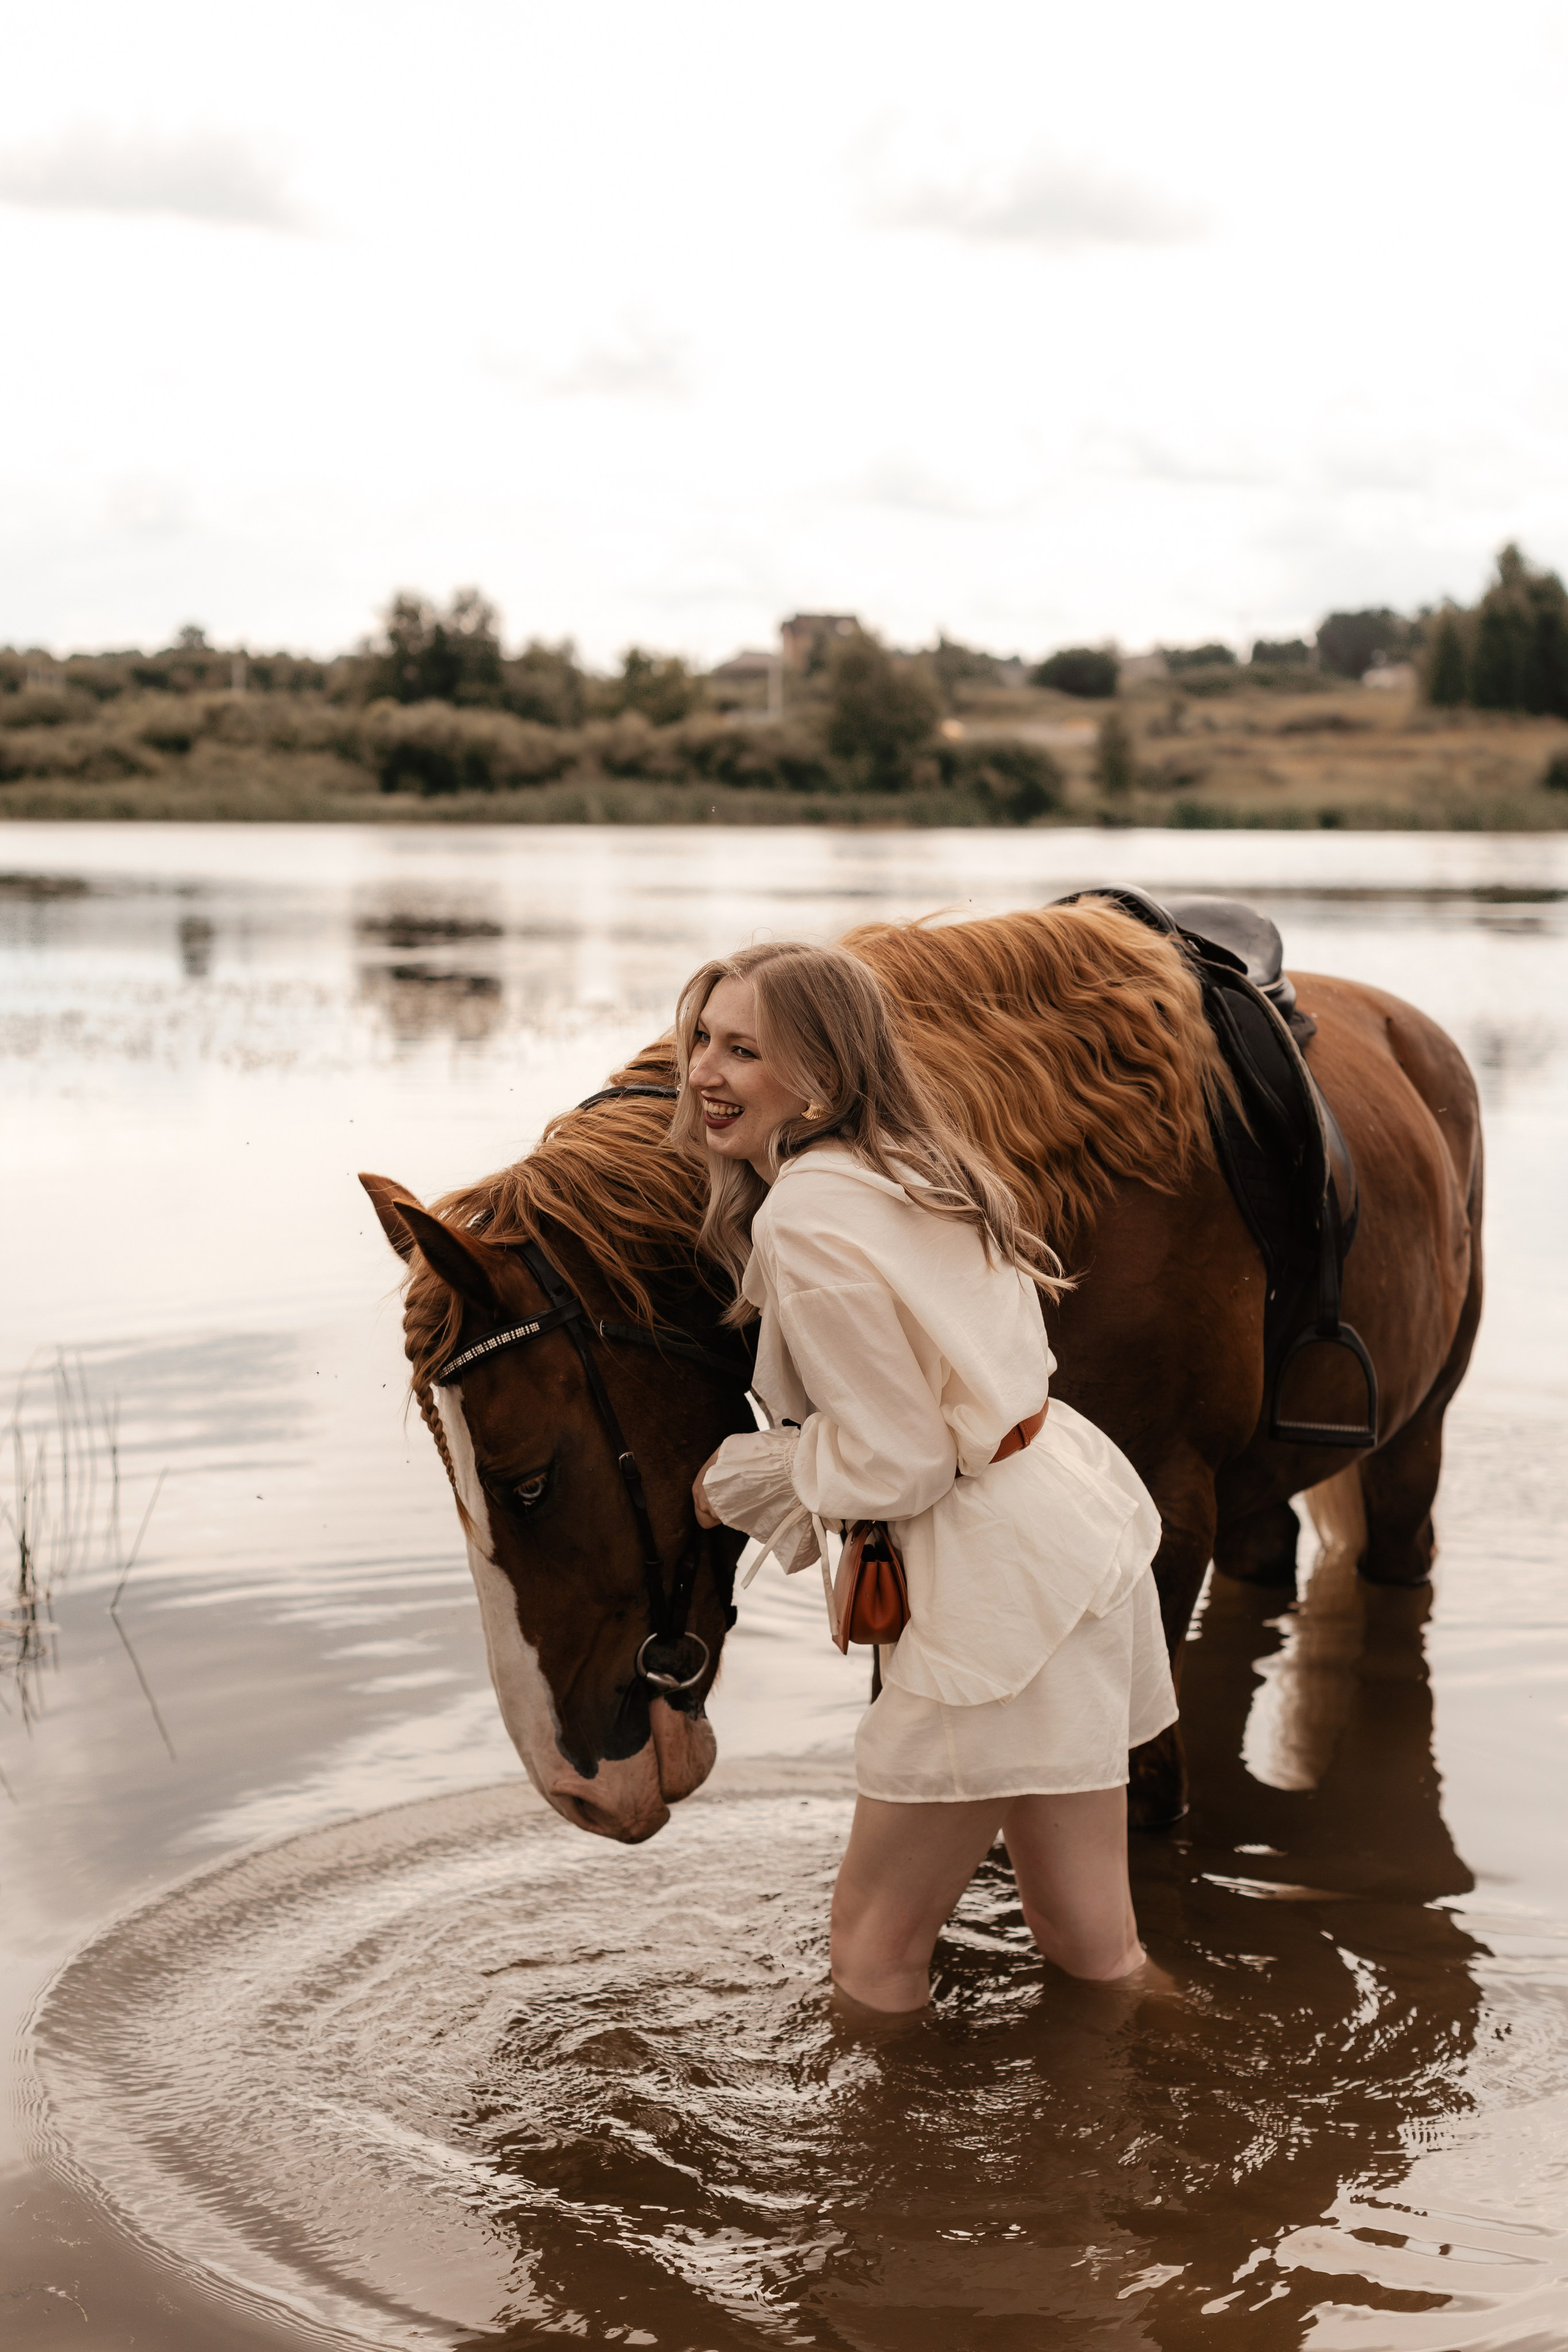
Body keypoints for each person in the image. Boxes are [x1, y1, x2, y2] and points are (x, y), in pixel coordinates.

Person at [672, 939, 1177, 2018]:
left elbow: (897, 1461)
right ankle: (1192, 2130)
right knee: (1093, 1940)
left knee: (870, 1953)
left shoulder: (803, 1215)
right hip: (1066, 1528)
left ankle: (879, 2184)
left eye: (744, 1050)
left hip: (989, 1598)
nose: (706, 1072)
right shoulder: (915, 1163)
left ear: (822, 1073)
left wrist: (754, 1475)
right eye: (702, 1040)